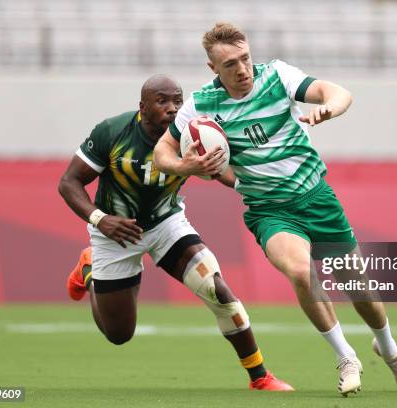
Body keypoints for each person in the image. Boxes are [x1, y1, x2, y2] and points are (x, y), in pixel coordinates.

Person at [153, 23, 397, 396]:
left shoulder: (277, 76)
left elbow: (337, 91)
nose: (242, 69)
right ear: (214, 68)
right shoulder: (202, 105)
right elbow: (162, 153)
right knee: (299, 270)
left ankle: (390, 350)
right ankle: (346, 357)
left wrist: (330, 108)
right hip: (269, 210)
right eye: (230, 64)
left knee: (360, 292)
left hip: (317, 198)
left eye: (245, 58)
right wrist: (187, 167)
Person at [58, 74, 293, 391]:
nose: (172, 108)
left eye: (177, 101)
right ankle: (89, 270)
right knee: (119, 334)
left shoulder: (190, 131)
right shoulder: (112, 132)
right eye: (162, 101)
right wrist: (100, 220)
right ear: (142, 107)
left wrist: (255, 186)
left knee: (217, 288)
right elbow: (69, 182)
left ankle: (260, 376)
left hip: (166, 223)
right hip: (115, 231)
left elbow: (220, 169)